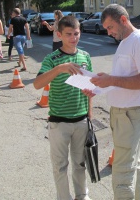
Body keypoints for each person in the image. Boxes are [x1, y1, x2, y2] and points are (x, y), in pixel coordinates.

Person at [84, 4, 140, 200]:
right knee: (132, 164)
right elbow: (120, 79)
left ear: (123, 20)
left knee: (122, 172)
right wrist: (97, 87)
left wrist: (112, 80)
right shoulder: (125, 41)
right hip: (122, 114)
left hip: (130, 115)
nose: (108, 32)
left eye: (110, 27)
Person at [33, 16, 93, 200]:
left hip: (81, 119)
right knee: (60, 165)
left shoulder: (85, 56)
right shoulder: (52, 58)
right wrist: (59, 69)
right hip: (59, 121)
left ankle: (82, 195)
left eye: (76, 34)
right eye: (68, 34)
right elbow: (37, 84)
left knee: (80, 163)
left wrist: (90, 113)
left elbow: (90, 86)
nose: (73, 38)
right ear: (59, 34)